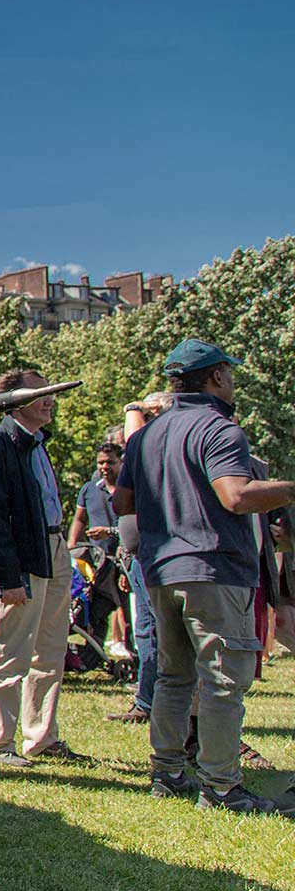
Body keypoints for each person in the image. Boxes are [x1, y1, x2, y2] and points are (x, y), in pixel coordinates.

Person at [115, 340, 294, 815]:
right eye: (229, 375)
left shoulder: (144, 437)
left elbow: (121, 505)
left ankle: (167, 773)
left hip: (160, 569)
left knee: (174, 677)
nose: (232, 383)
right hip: (213, 570)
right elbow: (235, 496)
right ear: (215, 378)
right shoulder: (219, 428)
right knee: (221, 682)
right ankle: (220, 787)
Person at [0, 368, 84, 769]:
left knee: (51, 650)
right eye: (42, 393)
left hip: (53, 548)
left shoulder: (37, 444)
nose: (51, 399)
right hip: (22, 557)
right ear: (17, 401)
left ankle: (41, 737)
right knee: (10, 648)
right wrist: (8, 576)